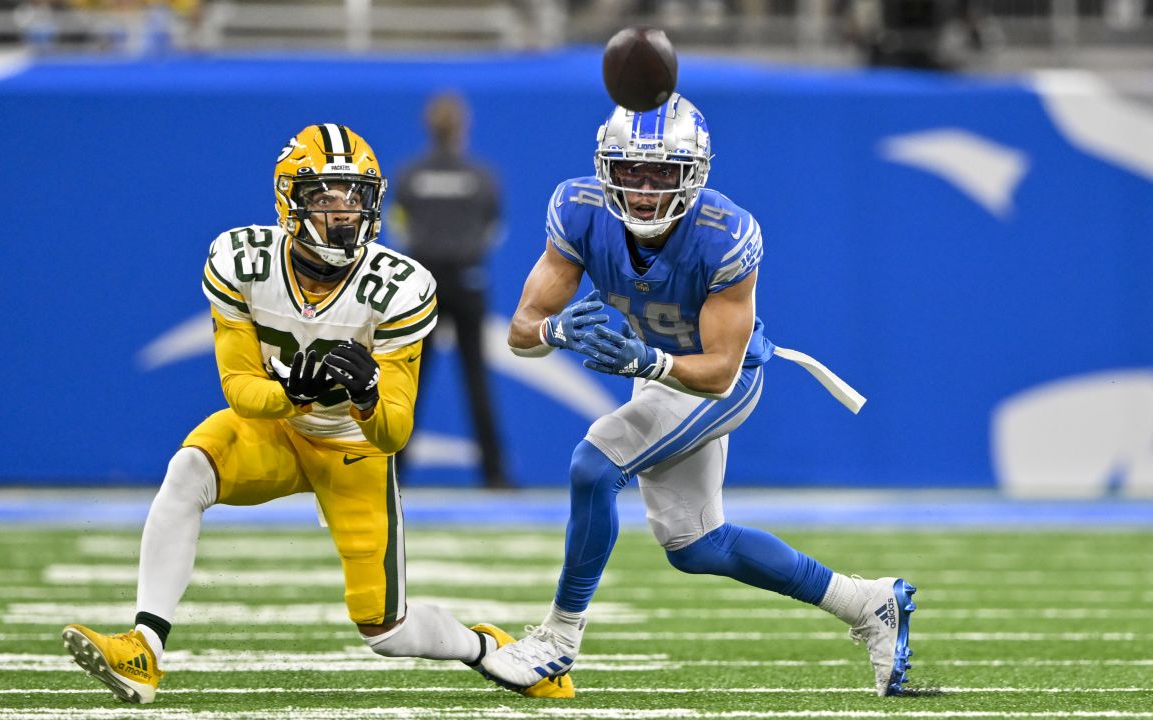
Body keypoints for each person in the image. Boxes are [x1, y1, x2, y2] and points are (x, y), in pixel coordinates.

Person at [60, 124, 572, 703]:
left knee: (388, 630)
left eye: (355, 196)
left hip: (354, 447)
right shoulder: (243, 261)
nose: (345, 211)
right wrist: (291, 398)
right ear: (290, 200)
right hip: (276, 428)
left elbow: (396, 430)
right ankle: (143, 649)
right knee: (188, 472)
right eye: (327, 196)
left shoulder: (399, 286)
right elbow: (240, 389)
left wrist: (368, 397)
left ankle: (489, 649)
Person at [474, 95, 918, 697]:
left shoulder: (724, 232)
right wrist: (556, 331)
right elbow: (521, 333)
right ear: (607, 168)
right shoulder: (578, 209)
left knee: (594, 464)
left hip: (721, 378)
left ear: (695, 174)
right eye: (631, 170)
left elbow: (718, 373)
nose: (645, 188)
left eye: (663, 172)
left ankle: (558, 639)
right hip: (657, 371)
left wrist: (649, 359)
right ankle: (867, 603)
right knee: (697, 546)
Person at [392, 92, 508, 488]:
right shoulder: (480, 177)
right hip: (468, 279)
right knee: (476, 378)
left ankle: (393, 473)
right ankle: (494, 475)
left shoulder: (410, 176)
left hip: (421, 286)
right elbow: (493, 229)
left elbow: (399, 226)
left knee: (410, 382)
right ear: (462, 127)